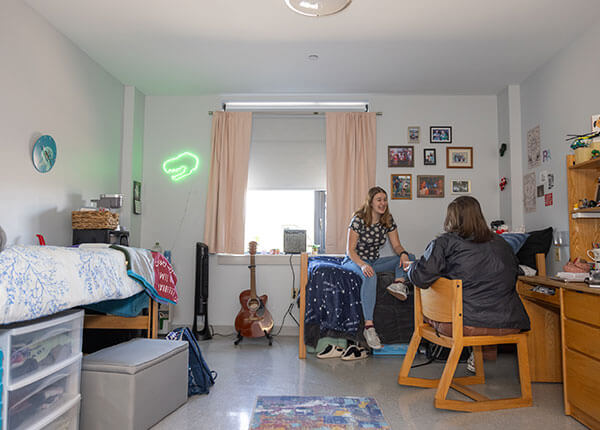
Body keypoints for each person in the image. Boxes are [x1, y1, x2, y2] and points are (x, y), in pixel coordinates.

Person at [406, 196, 530, 371]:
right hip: (509, 323)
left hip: (464, 323)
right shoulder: (503, 244)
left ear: (451, 218)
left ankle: (475, 355)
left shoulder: (444, 243)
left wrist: (410, 269)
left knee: (431, 303)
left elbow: (420, 277)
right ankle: (479, 357)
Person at [341, 186, 411, 350]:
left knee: (410, 258)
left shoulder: (387, 219)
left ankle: (399, 284)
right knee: (370, 275)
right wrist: (363, 265)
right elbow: (350, 250)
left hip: (374, 261)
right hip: (355, 260)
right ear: (371, 202)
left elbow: (397, 245)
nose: (383, 203)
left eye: (385, 200)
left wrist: (403, 254)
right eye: (379, 200)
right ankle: (369, 327)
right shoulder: (358, 219)